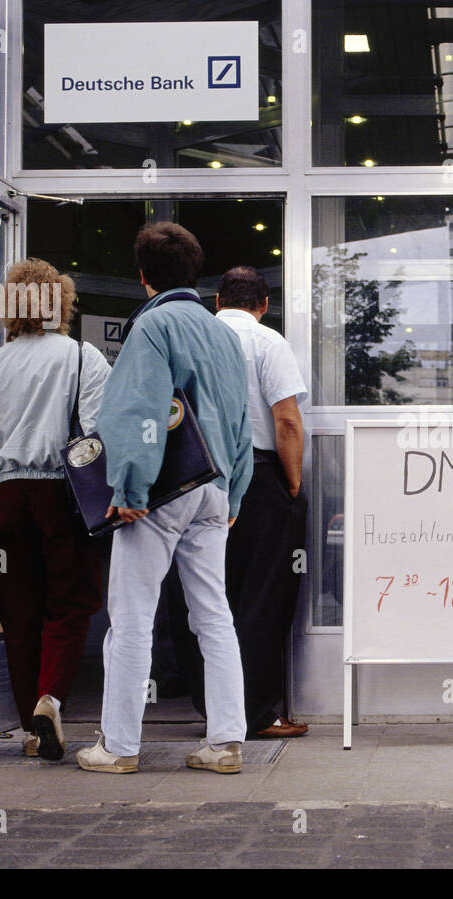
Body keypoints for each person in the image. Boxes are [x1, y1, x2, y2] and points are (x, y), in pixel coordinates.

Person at [76, 222, 253, 774]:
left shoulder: (151, 327)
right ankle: (225, 742)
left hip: (159, 494)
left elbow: (139, 413)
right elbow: (243, 424)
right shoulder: (223, 333)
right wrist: (235, 497)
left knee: (131, 619)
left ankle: (120, 747)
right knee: (215, 616)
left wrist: (128, 488)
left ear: (143, 276)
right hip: (216, 488)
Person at [0, 258, 110, 761]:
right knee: (70, 603)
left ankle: (30, 725)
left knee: (18, 609)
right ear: (63, 303)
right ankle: (51, 698)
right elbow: (96, 430)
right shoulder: (80, 356)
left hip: (9, 497)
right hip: (63, 494)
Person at [166, 265, 310, 738]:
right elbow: (286, 421)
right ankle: (257, 713)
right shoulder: (268, 342)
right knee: (261, 596)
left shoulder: (191, 339)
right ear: (264, 304)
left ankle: (212, 707)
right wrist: (291, 485)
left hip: (192, 476)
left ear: (216, 301)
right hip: (258, 477)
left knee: (201, 594)